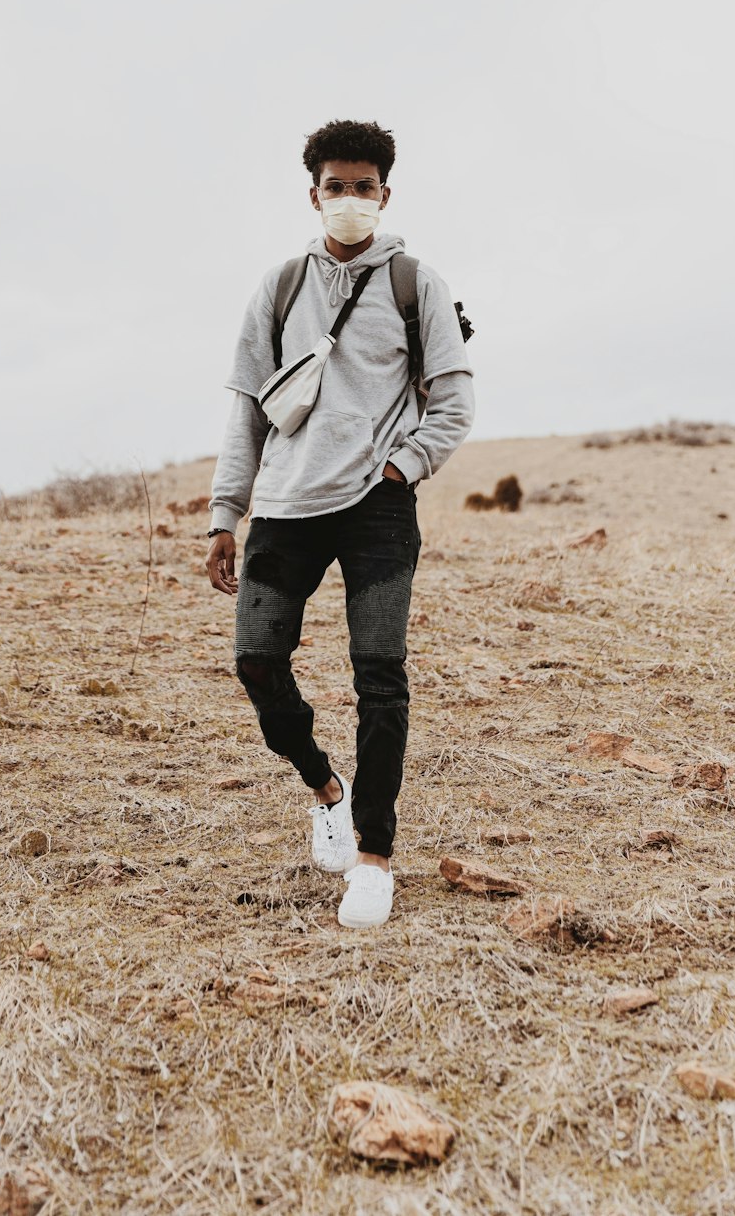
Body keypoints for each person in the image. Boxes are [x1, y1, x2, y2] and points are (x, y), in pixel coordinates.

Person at [205, 119, 474, 928]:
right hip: (284, 508)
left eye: (364, 186)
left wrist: (401, 468)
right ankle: (326, 789)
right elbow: (247, 411)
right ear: (313, 194)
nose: (350, 199)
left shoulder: (415, 283)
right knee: (256, 661)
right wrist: (226, 513)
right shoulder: (280, 285)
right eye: (336, 186)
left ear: (385, 194)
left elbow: (455, 405)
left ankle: (373, 857)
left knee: (379, 678)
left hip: (377, 511)